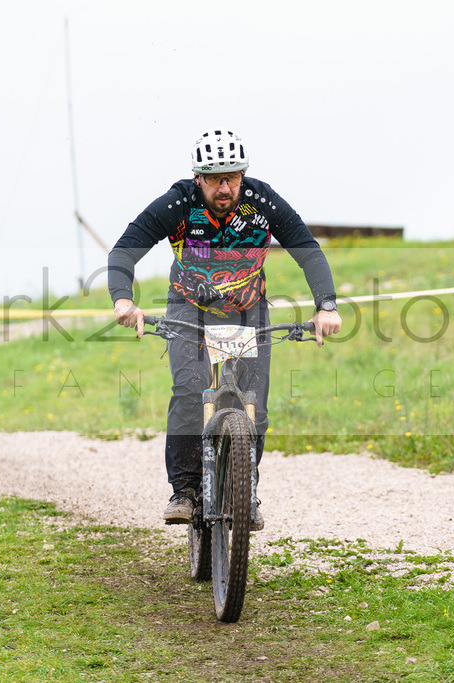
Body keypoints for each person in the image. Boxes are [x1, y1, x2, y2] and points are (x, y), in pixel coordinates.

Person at [108, 129, 341, 531]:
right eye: (215, 178)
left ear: (243, 174)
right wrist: (123, 299)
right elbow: (125, 248)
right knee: (189, 391)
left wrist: (327, 306)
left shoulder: (261, 201)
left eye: (232, 176)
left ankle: (245, 490)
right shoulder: (179, 202)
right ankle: (184, 489)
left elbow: (307, 249)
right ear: (198, 178)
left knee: (257, 409)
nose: (225, 187)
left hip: (248, 310)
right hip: (189, 309)